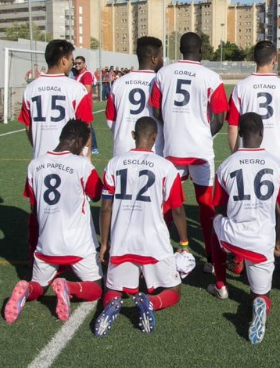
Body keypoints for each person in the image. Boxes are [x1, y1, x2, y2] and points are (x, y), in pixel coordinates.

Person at [94, 117, 188, 336]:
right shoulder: (166, 167)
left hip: (122, 240)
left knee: (113, 289)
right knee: (174, 290)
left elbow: (105, 208)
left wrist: (105, 244)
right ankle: (151, 303)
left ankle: (111, 306)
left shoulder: (115, 164)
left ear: (133, 136)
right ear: (155, 138)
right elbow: (177, 210)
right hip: (153, 241)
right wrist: (184, 242)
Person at [5, 120, 103, 324]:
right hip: (78, 246)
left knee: (38, 287)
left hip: (46, 245)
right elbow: (96, 194)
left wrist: (33, 246)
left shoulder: (35, 165)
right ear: (78, 142)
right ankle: (70, 287)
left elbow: (33, 209)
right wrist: (87, 159)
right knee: (96, 288)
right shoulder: (81, 164)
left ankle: (28, 289)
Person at [149, 32, 229, 273]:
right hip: (200, 152)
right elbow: (219, 118)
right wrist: (204, 135)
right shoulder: (211, 77)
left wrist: (173, 128)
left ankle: (159, 253)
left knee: (168, 203)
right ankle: (211, 259)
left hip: (172, 149)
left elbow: (156, 112)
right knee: (206, 205)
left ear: (181, 49)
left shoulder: (163, 74)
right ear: (201, 51)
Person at [210, 112, 280, 344]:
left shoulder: (226, 165)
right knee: (261, 294)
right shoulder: (279, 165)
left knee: (214, 222)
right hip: (262, 241)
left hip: (233, 237)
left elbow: (220, 209)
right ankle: (259, 305)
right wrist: (277, 243)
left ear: (241, 134)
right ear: (262, 134)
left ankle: (220, 283)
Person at [226, 40, 280, 260]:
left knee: (246, 204)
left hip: (248, 154)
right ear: (274, 59)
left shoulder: (241, 87)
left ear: (253, 59)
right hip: (278, 156)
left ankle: (240, 254)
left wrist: (235, 154)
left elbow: (232, 126)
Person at [18, 39, 94, 262]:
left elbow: (28, 127)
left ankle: (36, 255)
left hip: (41, 159)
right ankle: (79, 260)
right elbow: (85, 128)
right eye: (71, 59)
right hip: (71, 160)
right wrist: (86, 159)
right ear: (63, 60)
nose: (72, 63)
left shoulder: (31, 88)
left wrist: (40, 146)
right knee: (75, 211)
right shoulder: (76, 88)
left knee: (38, 209)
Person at [106, 37, 165, 157]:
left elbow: (110, 120)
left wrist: (123, 133)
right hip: (154, 150)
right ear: (154, 59)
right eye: (161, 57)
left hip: (123, 150)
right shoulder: (162, 83)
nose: (162, 61)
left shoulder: (119, 83)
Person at [74, 56, 99, 155]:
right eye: (75, 63)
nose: (77, 65)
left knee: (87, 126)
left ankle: (93, 147)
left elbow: (87, 89)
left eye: (79, 63)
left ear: (84, 63)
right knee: (85, 125)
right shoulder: (78, 75)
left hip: (85, 104)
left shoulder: (86, 74)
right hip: (80, 103)